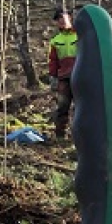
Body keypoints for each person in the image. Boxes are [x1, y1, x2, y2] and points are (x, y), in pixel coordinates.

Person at [48, 8, 79, 140]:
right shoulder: (55, 40)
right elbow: (53, 60)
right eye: (57, 19)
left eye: (62, 17)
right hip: (64, 78)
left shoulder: (80, 35)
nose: (60, 20)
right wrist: (53, 77)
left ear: (69, 17)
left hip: (80, 78)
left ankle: (81, 135)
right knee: (62, 107)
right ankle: (60, 135)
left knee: (81, 107)